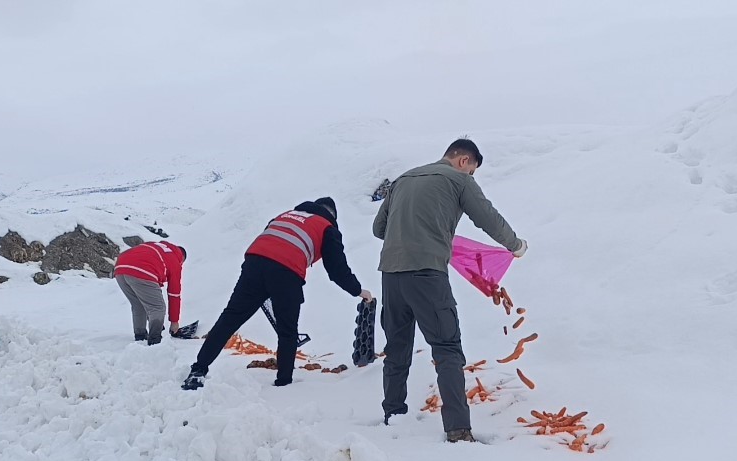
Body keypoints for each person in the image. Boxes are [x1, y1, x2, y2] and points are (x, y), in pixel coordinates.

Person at [373, 138, 527, 443]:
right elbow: (488, 218)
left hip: (391, 274)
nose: (470, 176)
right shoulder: (459, 180)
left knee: (397, 346)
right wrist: (516, 246)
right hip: (427, 275)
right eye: (472, 171)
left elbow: (379, 229)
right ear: (463, 161)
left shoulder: (404, 179)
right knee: (447, 349)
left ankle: (394, 415)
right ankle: (457, 429)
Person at [182, 197, 372, 390]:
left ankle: (198, 370)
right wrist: (358, 291)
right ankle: (284, 383)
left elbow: (272, 242)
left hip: (254, 262)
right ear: (332, 216)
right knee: (287, 331)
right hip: (287, 271)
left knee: (230, 318)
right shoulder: (327, 227)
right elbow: (337, 270)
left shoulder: (285, 215)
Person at [114, 240, 186, 345]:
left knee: (138, 305)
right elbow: (174, 294)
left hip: (121, 267)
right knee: (158, 308)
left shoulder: (156, 246)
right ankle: (154, 341)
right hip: (142, 270)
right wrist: (174, 322)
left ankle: (140, 337)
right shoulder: (175, 260)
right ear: (182, 258)